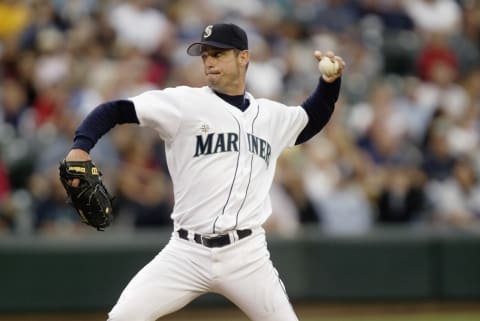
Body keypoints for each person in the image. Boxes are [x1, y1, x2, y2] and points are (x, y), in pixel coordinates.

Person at [63, 23, 344, 321]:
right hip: (186, 252)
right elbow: (115, 109)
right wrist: (81, 147)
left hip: (247, 256)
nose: (209, 61)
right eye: (206, 55)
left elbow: (310, 118)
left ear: (244, 57)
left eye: (219, 54)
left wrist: (329, 84)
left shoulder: (270, 115)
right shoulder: (184, 103)